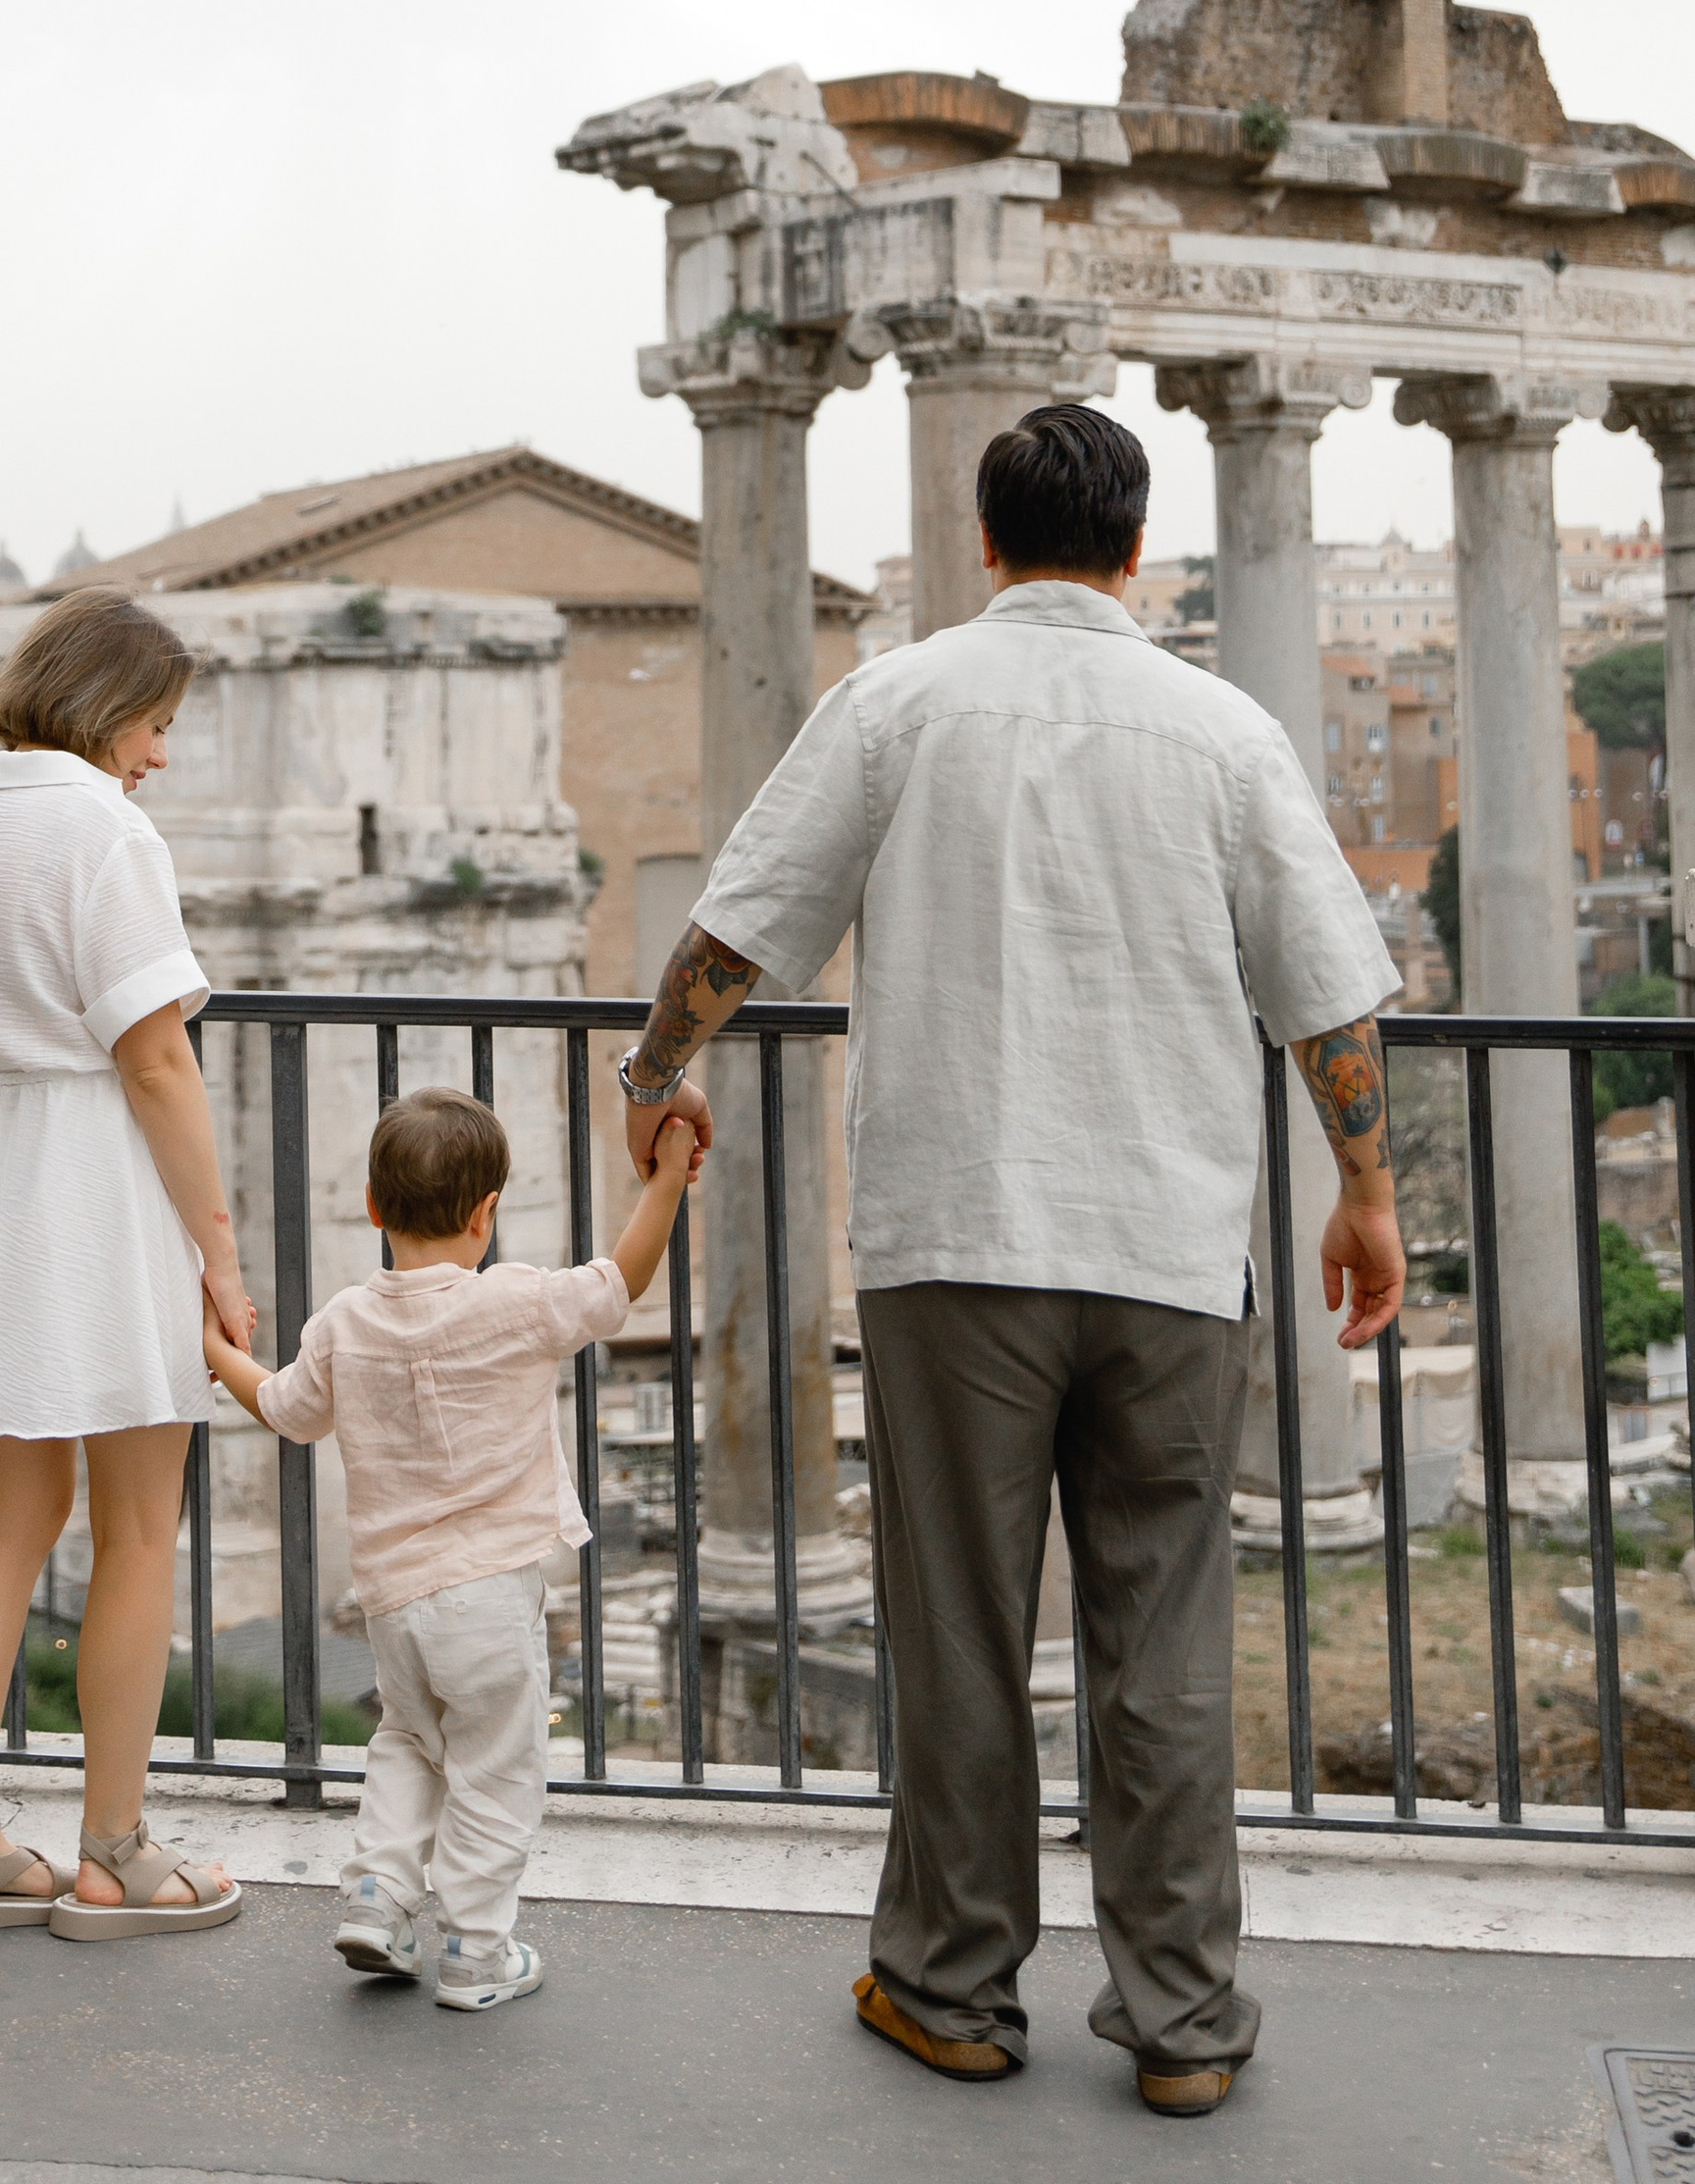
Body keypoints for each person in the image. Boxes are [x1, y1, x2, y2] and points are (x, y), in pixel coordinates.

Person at [614, 402, 1402, 2117]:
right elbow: (1329, 996)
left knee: (961, 1631)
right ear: (1137, 547)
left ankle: (952, 1989)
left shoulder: (896, 704)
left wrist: (653, 1072)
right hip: (1168, 1244)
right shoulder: (1225, 730)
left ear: (985, 541)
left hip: (954, 1241)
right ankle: (1185, 2022)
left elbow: (737, 928)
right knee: (1163, 1642)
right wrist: (1366, 1189)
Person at [0, 588, 253, 1942]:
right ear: (103, 705)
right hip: (93, 1183)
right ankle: (115, 1856)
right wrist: (221, 1253)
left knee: (8, 1526)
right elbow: (154, 1057)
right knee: (137, 1530)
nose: (161, 755)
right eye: (155, 723)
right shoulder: (104, 828)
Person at [202, 1084, 697, 2012]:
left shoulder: (342, 1323)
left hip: (392, 1602)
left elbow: (282, 1408)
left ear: (372, 1206)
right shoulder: (517, 1302)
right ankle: (475, 1947)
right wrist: (665, 1179)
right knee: (496, 1768)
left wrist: (213, 1343)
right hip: (491, 1597)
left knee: (408, 1740)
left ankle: (378, 1896)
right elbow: (620, 1279)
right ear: (486, 1214)